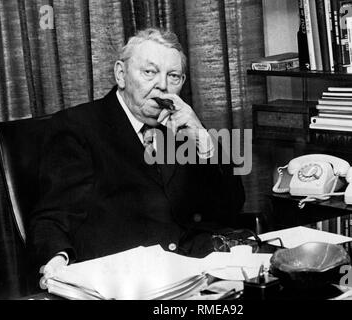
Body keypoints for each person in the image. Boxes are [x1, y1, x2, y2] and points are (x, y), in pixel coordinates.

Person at [29, 28, 245, 283]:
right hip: (127, 282)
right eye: (149, 72)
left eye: (173, 76)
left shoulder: (183, 124)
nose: (162, 85)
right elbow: (54, 216)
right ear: (121, 74)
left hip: (195, 271)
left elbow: (231, 206)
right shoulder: (77, 127)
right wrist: (57, 261)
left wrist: (203, 139)